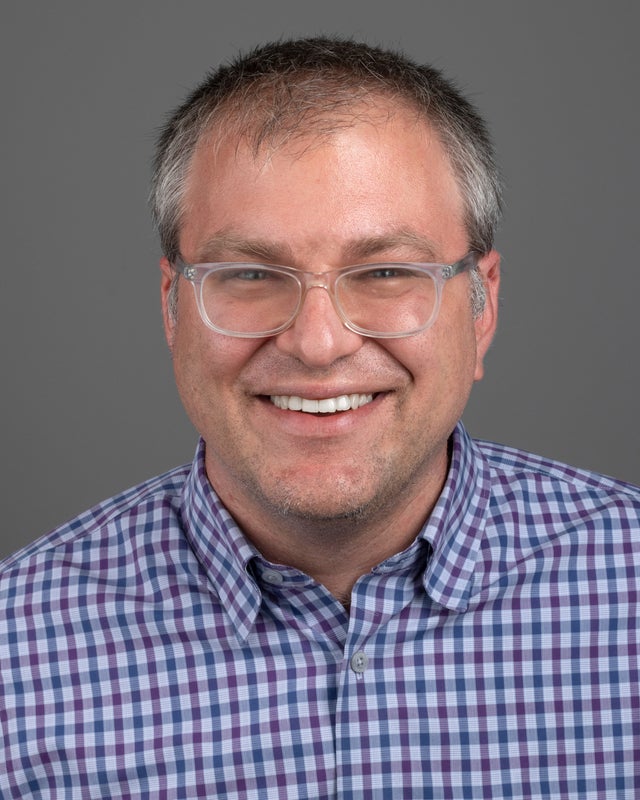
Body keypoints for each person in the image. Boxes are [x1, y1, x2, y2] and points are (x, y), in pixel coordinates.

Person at [1, 36, 638, 799]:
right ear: (172, 307)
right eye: (248, 275)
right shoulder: (16, 657)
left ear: (483, 304)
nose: (318, 342)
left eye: (386, 272)